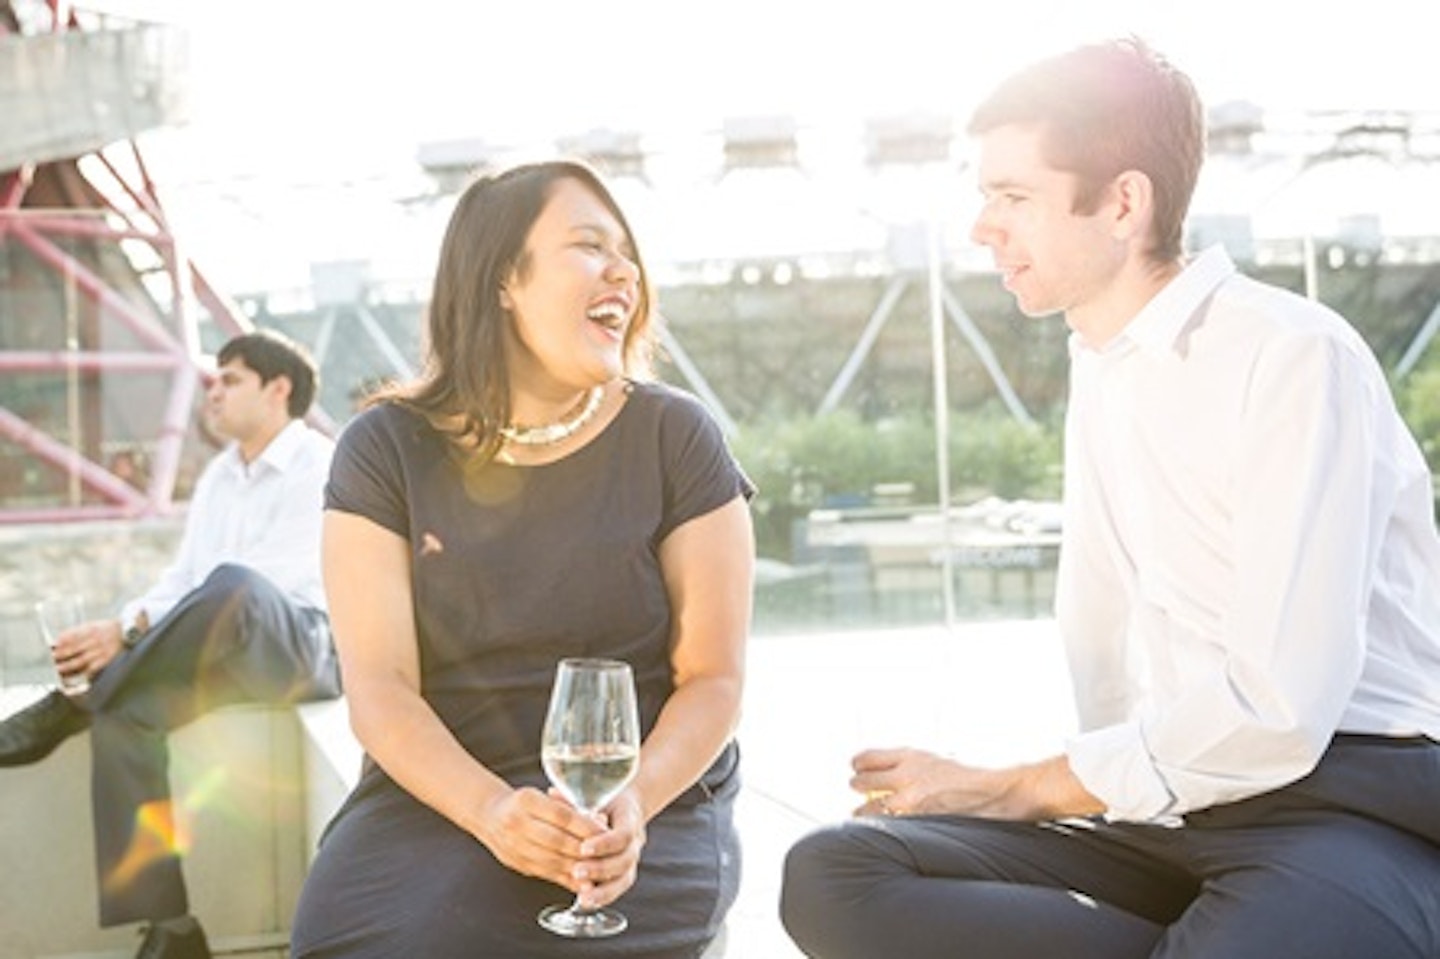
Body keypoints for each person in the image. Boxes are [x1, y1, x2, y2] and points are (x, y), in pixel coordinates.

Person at [780, 37, 1440, 959]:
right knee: (834, 873)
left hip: (1341, 802)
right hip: (1164, 810)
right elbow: (1107, 638)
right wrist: (1085, 788)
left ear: (1124, 203)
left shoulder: (1293, 357)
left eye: (1012, 196)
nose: (981, 227)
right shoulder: (1100, 363)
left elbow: (1281, 708)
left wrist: (1017, 785)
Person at [289, 159, 755, 958]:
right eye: (588, 245)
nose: (624, 271)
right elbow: (380, 687)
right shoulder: (383, 450)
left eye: (627, 253)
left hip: (642, 801)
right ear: (504, 277)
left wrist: (632, 803)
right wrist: (491, 810)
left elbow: (712, 679)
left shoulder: (677, 436)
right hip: (438, 790)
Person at [0, 329, 341, 959]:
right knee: (128, 717)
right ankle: (171, 927)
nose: (212, 391)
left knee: (236, 583)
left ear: (278, 389)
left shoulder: (319, 464)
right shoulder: (219, 475)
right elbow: (182, 579)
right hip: (219, 649)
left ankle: (75, 701)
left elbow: (272, 582)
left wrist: (128, 632)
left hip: (300, 647)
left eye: (230, 379)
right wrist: (122, 624)